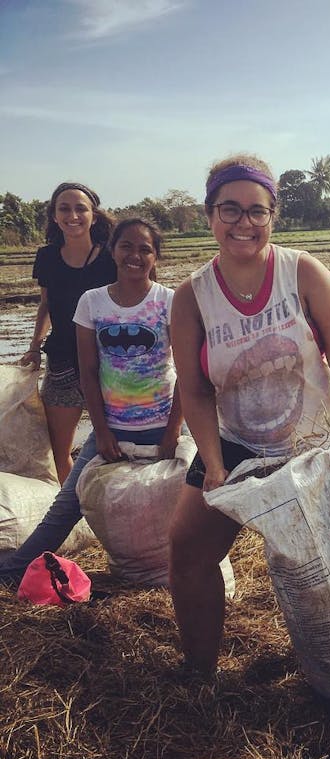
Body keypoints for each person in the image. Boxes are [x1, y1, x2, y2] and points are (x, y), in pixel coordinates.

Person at [168, 154, 330, 677]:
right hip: (236, 441)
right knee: (187, 550)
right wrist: (214, 463)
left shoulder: (303, 272)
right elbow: (194, 390)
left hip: (313, 438)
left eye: (257, 211)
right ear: (209, 214)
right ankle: (199, 670)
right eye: (230, 210)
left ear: (273, 215)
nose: (244, 223)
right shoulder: (191, 298)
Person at [0, 218, 182, 585]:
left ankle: (179, 570)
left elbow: (189, 373)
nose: (135, 255)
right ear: (112, 250)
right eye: (127, 246)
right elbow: (88, 371)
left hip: (161, 425)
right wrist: (101, 431)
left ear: (156, 256)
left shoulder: (169, 301)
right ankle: (14, 571)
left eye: (145, 248)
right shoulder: (93, 302)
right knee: (67, 505)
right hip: (111, 427)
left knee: (180, 501)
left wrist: (172, 433)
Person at [19, 183, 117, 483]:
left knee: (115, 442)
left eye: (80, 208)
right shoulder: (47, 257)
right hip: (62, 360)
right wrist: (35, 346)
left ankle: (109, 508)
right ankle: (72, 514)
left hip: (108, 362)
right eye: (64, 208)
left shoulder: (110, 257)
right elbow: (46, 304)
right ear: (54, 216)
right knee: (59, 448)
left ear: (94, 216)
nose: (72, 215)